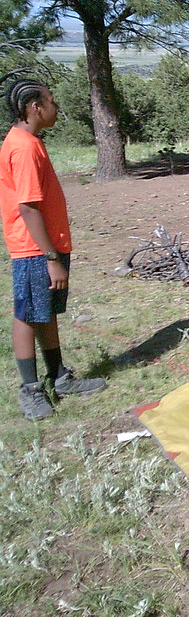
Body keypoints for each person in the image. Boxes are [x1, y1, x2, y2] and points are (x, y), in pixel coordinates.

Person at [0, 73, 106, 420]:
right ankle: (30, 389)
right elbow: (27, 207)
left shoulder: (32, 141)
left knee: (44, 313)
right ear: (35, 107)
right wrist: (50, 258)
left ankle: (58, 376)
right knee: (28, 315)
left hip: (48, 247)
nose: (55, 107)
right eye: (51, 101)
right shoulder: (24, 147)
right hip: (35, 250)